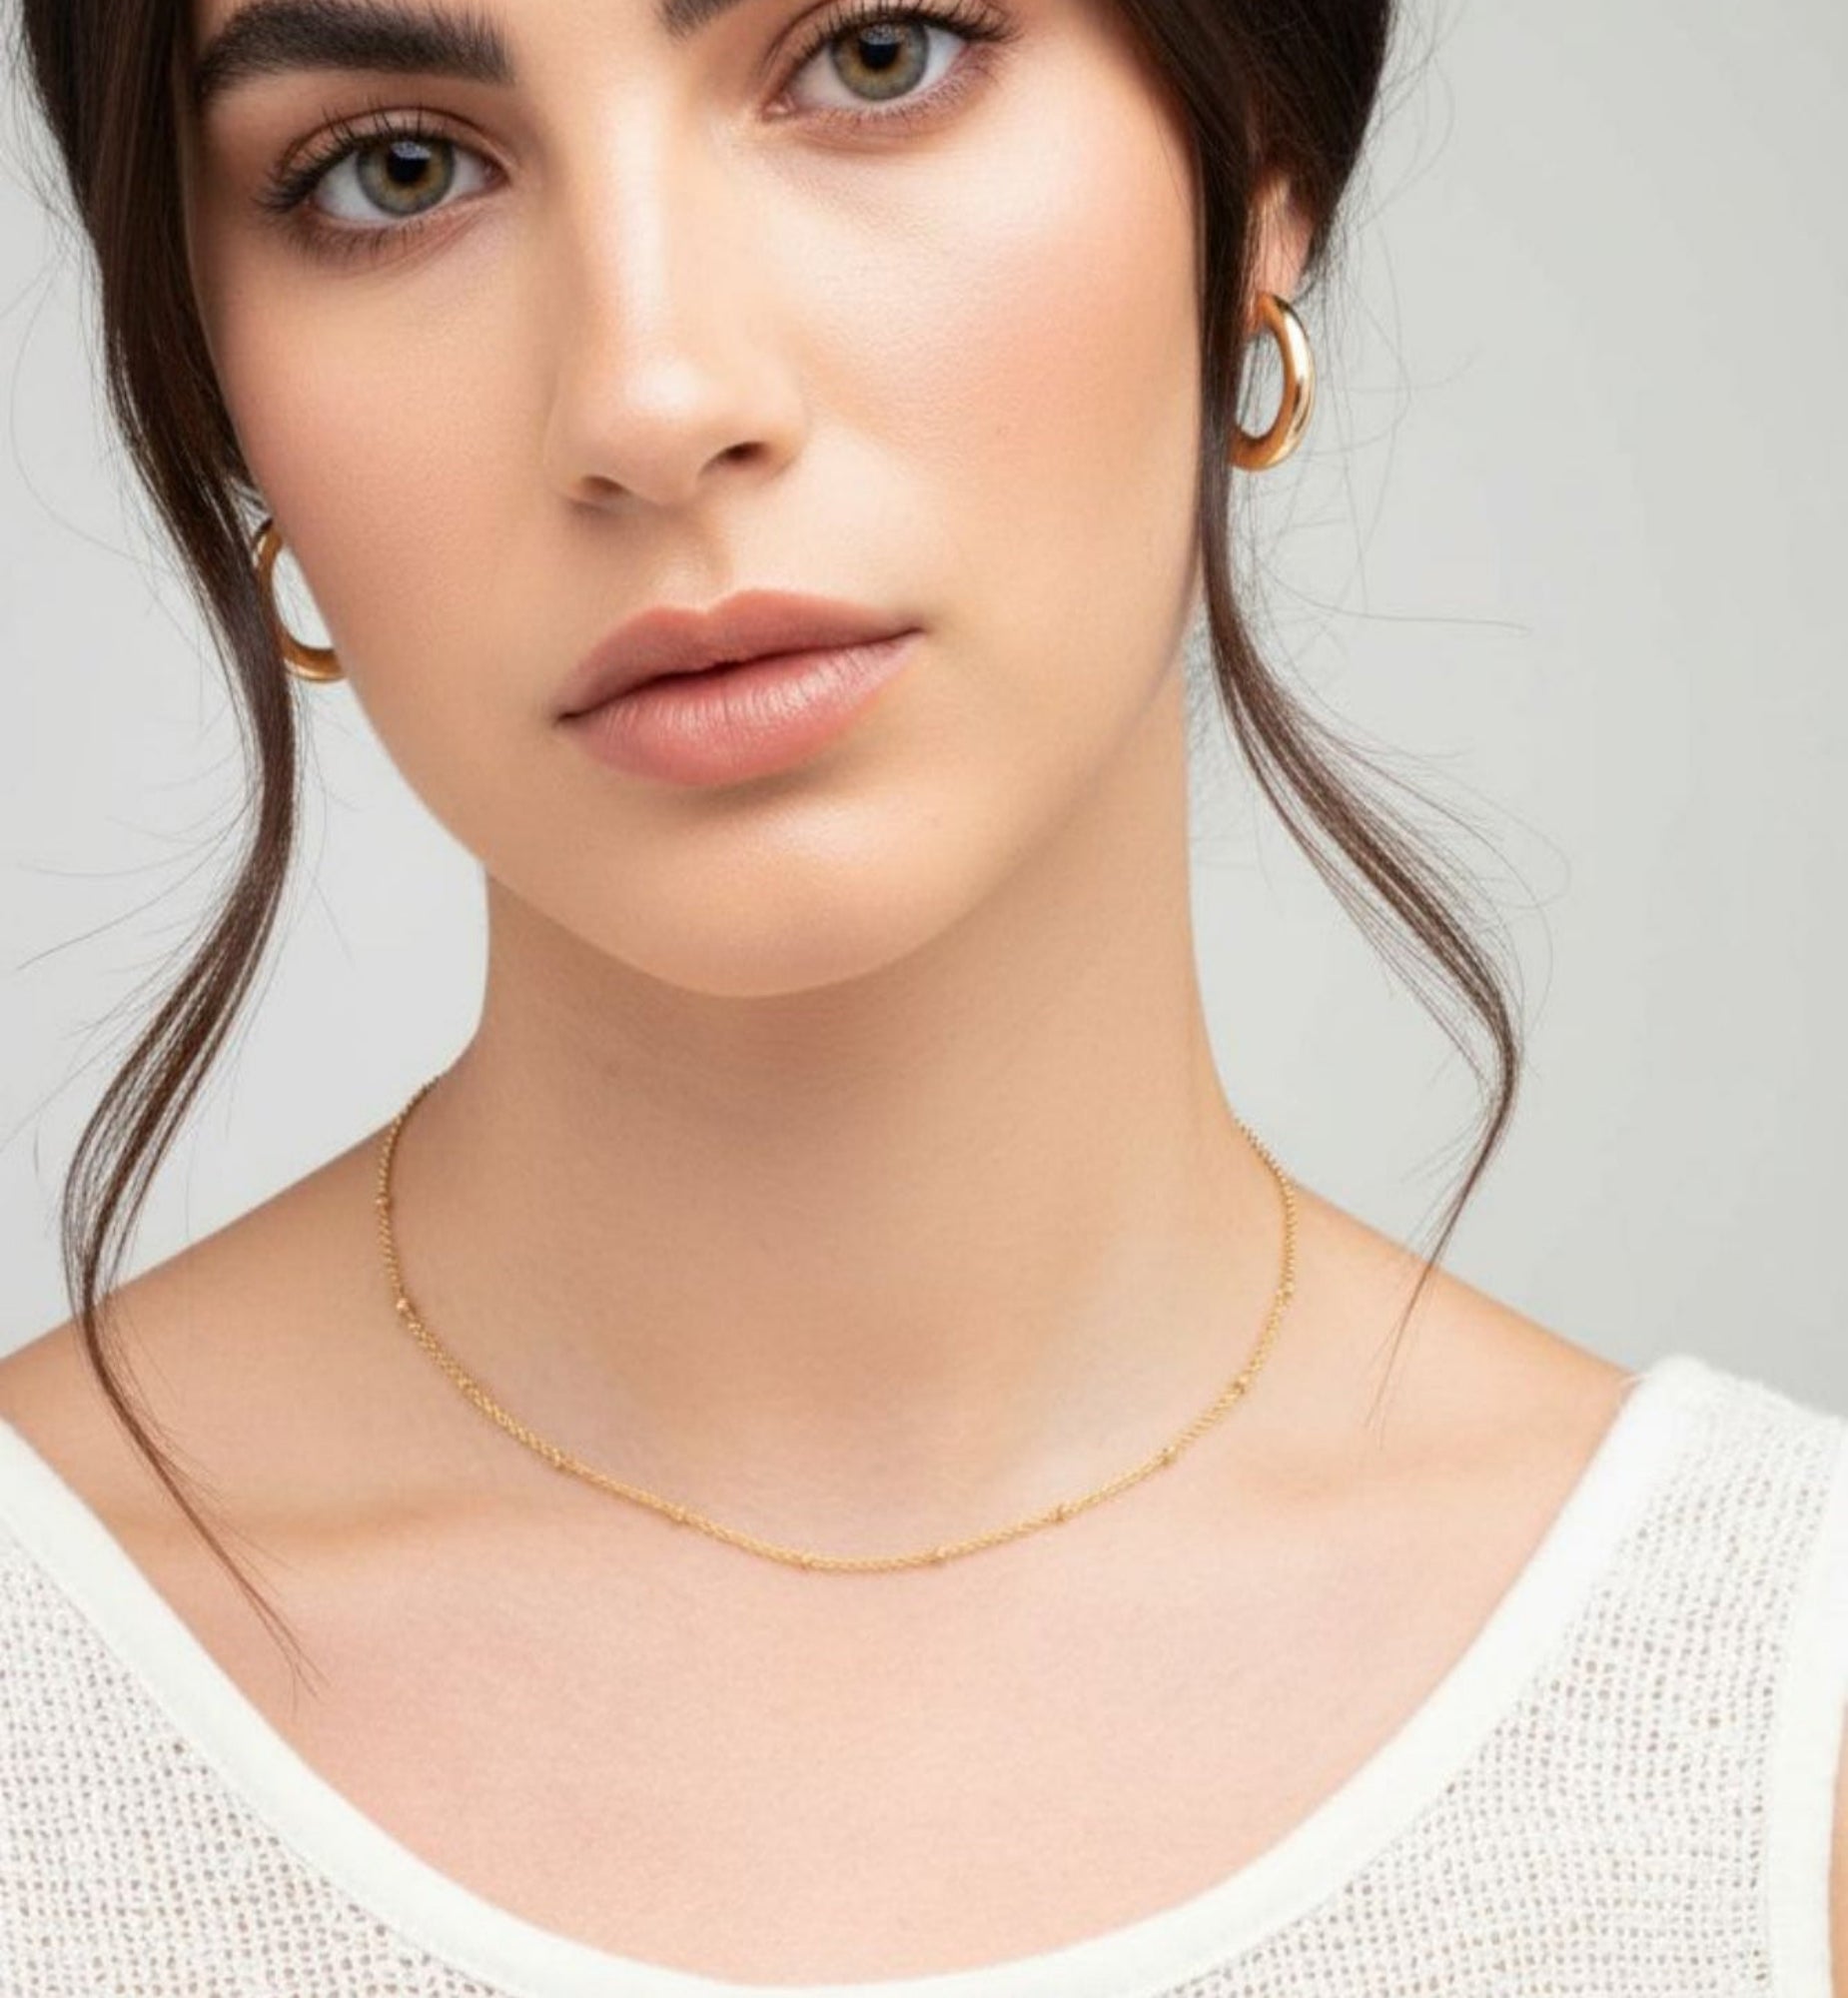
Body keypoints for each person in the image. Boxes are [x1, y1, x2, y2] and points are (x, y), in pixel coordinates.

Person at [0, 0, 1842, 1991]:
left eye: (874, 55)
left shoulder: (1767, 1740)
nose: (654, 393)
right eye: (397, 168)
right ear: (208, 385)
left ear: (1264, 170)